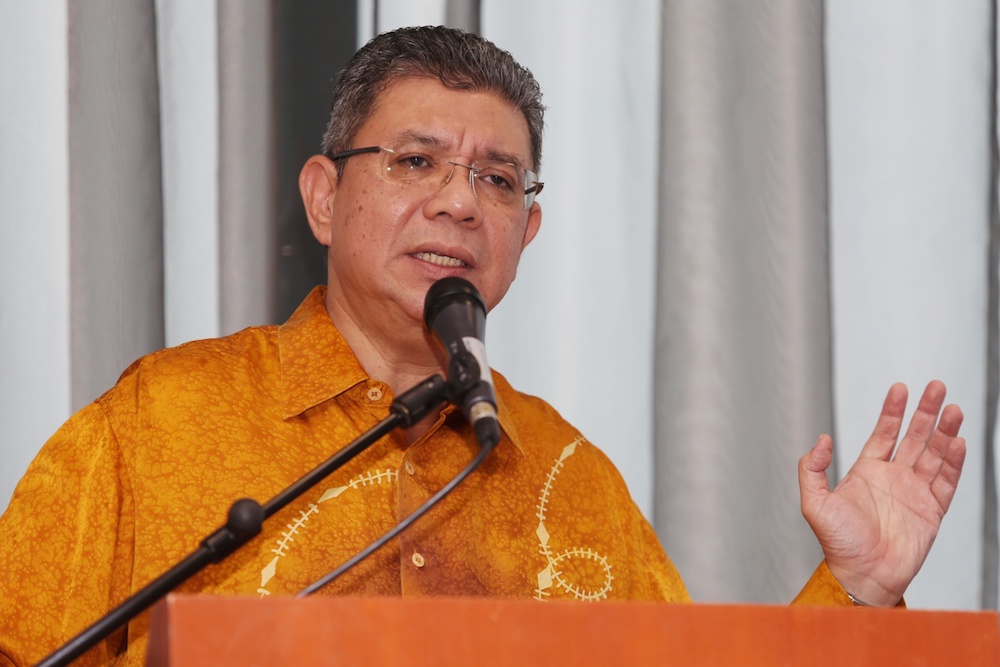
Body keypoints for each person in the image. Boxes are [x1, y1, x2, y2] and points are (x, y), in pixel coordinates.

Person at [0, 25, 966, 667]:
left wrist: (858, 590)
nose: (462, 200)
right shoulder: (157, 422)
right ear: (324, 198)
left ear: (525, 235)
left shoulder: (570, 478)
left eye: (500, 180)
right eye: (417, 161)